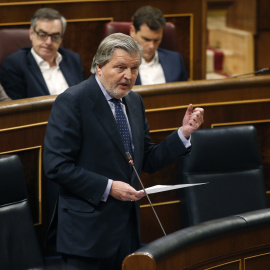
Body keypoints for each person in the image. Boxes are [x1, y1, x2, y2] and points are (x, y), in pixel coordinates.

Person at [43, 33, 204, 270]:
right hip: (86, 235)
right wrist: (109, 187)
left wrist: (183, 133)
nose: (128, 76)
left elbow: (146, 159)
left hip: (126, 233)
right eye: (120, 67)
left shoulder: (135, 102)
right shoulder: (73, 101)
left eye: (134, 68)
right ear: (98, 66)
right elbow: (56, 166)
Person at [0, 8, 85, 100]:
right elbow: (18, 110)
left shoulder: (73, 59)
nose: (48, 42)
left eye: (55, 36)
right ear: (31, 33)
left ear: (61, 37)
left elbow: (84, 96)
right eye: (42, 35)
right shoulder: (15, 64)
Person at [130, 5, 188, 85]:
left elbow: (184, 95)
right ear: (132, 31)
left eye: (156, 40)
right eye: (146, 39)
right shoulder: (120, 63)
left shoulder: (176, 60)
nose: (152, 46)